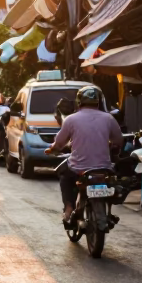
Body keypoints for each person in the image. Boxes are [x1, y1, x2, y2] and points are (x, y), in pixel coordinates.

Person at [46, 85, 123, 224]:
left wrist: (52, 149)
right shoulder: (108, 118)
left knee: (64, 175)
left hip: (78, 167)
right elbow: (119, 140)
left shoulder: (70, 119)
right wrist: (111, 144)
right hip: (104, 168)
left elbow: (59, 143)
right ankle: (108, 212)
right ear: (98, 101)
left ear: (79, 101)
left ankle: (69, 207)